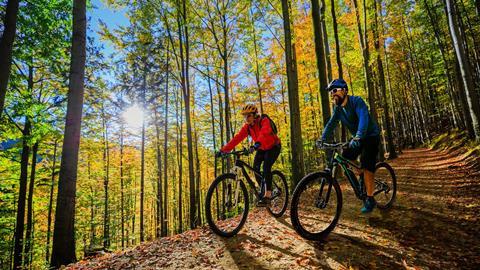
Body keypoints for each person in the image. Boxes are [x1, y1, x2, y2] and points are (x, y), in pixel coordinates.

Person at [320, 79, 381, 213]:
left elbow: (364, 119)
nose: (332, 94)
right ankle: (360, 174)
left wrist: (359, 135)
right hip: (357, 138)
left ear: (345, 90)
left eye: (335, 90)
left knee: (366, 163)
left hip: (370, 136)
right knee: (346, 155)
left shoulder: (357, 101)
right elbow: (331, 124)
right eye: (331, 92)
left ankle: (370, 199)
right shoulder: (338, 110)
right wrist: (322, 138)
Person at [217, 104, 281, 205]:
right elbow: (236, 138)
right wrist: (223, 150)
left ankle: (268, 195)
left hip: (273, 146)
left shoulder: (263, 120)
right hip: (261, 148)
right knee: (255, 170)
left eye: (249, 115)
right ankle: (264, 191)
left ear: (255, 115)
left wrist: (256, 144)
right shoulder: (247, 128)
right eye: (245, 116)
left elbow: (264, 132)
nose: (246, 118)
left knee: (266, 167)